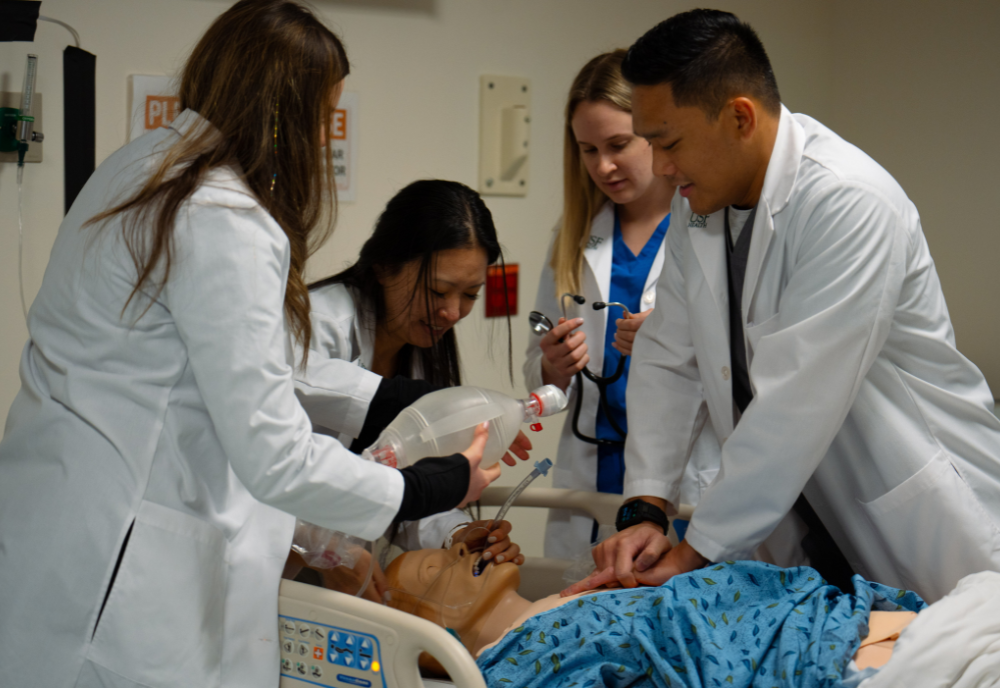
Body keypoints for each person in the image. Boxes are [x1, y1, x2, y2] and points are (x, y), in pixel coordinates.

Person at [0, 3, 498, 687]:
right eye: (324, 117)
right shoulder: (222, 216)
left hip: (61, 525)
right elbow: (277, 455)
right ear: (282, 114)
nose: (325, 139)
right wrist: (423, 486)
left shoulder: (139, 169)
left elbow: (241, 359)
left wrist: (402, 399)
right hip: (126, 573)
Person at [570, 9, 1000, 604]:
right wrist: (646, 506)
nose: (662, 167)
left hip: (917, 517)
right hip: (802, 522)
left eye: (668, 142)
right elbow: (669, 356)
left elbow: (795, 401)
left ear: (739, 116)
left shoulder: (848, 202)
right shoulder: (698, 209)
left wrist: (696, 551)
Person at [524, 50, 718, 560]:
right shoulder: (572, 238)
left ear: (654, 134)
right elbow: (537, 373)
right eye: (587, 150)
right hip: (591, 470)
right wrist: (551, 365)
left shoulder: (705, 228)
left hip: (684, 477)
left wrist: (670, 340)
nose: (602, 166)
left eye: (618, 145)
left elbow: (737, 360)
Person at [291, 179, 531, 564]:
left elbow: (409, 491)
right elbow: (269, 467)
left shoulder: (418, 350)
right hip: (275, 567)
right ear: (385, 267)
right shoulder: (317, 327)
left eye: (470, 294)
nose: (453, 312)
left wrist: (459, 535)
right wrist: (324, 552)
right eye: (438, 291)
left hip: (345, 579)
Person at [381, 541, 929, 688]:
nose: (459, 552)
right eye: (434, 572)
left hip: (798, 618)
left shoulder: (567, 598)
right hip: (764, 656)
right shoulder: (511, 666)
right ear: (430, 636)